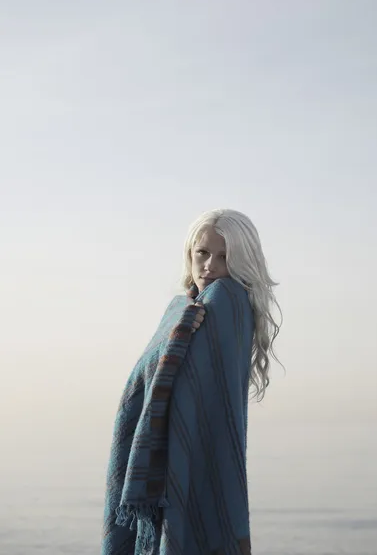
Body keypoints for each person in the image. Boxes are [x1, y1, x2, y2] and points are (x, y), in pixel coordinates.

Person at [102, 208, 281, 555]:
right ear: (189, 253)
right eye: (202, 253)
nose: (210, 266)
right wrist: (177, 330)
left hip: (187, 463)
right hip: (172, 463)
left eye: (224, 257)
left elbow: (222, 417)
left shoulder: (226, 300)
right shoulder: (180, 310)